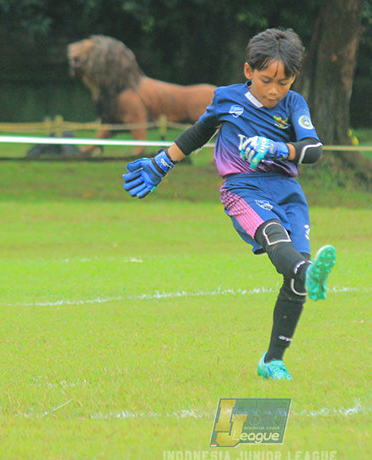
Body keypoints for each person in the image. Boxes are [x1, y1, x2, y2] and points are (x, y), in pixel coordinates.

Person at [122, 27, 336, 380]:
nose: (274, 90)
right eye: (267, 80)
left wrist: (279, 149)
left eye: (284, 83)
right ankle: (307, 272)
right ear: (248, 71)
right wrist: (162, 163)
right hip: (243, 189)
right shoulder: (227, 99)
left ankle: (272, 361)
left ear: (294, 80)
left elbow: (313, 150)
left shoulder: (295, 104)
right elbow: (199, 132)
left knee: (296, 280)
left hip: (288, 192)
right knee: (275, 240)